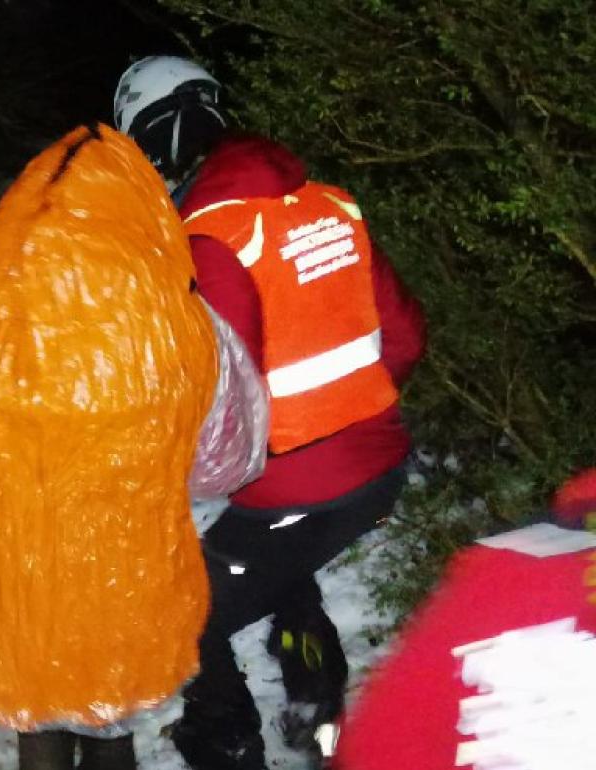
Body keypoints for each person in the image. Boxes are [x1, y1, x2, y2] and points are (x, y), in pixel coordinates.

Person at [114, 56, 427, 769]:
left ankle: (224, 740)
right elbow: (405, 335)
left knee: (179, 622)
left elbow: (220, 392)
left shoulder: (210, 234)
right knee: (280, 562)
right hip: (378, 467)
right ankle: (318, 713)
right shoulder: (328, 203)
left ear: (158, 138)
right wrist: (352, 413)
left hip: (298, 485)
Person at [0, 124, 218, 770]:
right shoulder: (184, 320)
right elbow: (229, 456)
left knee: (39, 722)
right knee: (111, 724)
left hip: (16, 585)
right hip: (125, 585)